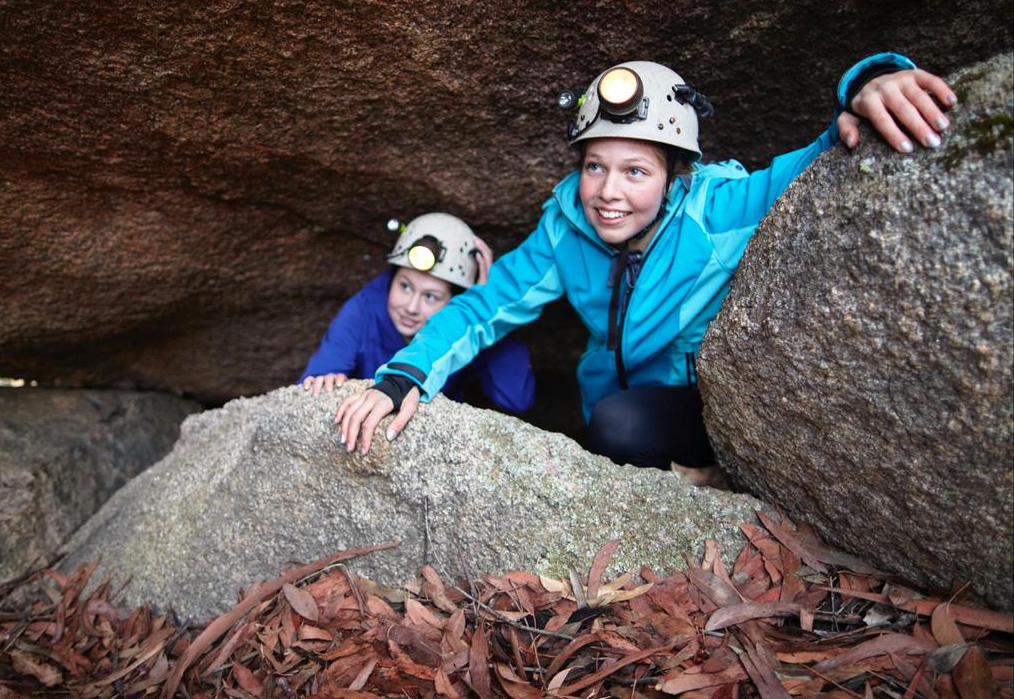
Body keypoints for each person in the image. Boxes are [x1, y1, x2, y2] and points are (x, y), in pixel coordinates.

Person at [334, 53, 955, 461]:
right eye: (595, 166)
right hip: (607, 412)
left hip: (702, 412)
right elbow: (481, 310)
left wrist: (869, 82)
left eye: (636, 170)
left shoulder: (714, 211)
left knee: (618, 425)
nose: (608, 192)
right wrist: (403, 375)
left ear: (674, 174)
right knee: (606, 427)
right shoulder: (564, 229)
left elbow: (821, 148)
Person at [300, 212, 535, 415]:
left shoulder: (464, 323)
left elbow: (516, 399)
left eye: (430, 296)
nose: (411, 307)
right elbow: (316, 378)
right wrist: (325, 381)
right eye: (405, 286)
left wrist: (486, 309)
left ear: (458, 303)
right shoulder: (365, 308)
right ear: (392, 278)